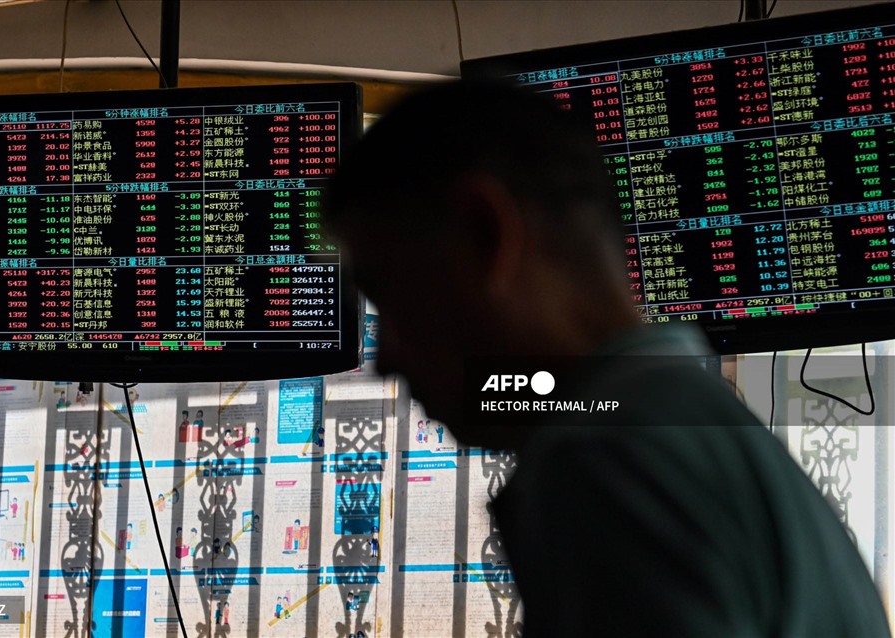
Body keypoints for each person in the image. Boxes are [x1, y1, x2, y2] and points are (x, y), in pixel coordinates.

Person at [324, 81, 891, 636]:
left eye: (395, 296)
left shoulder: (602, 457)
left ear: (485, 233)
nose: (386, 359)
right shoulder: (685, 419)